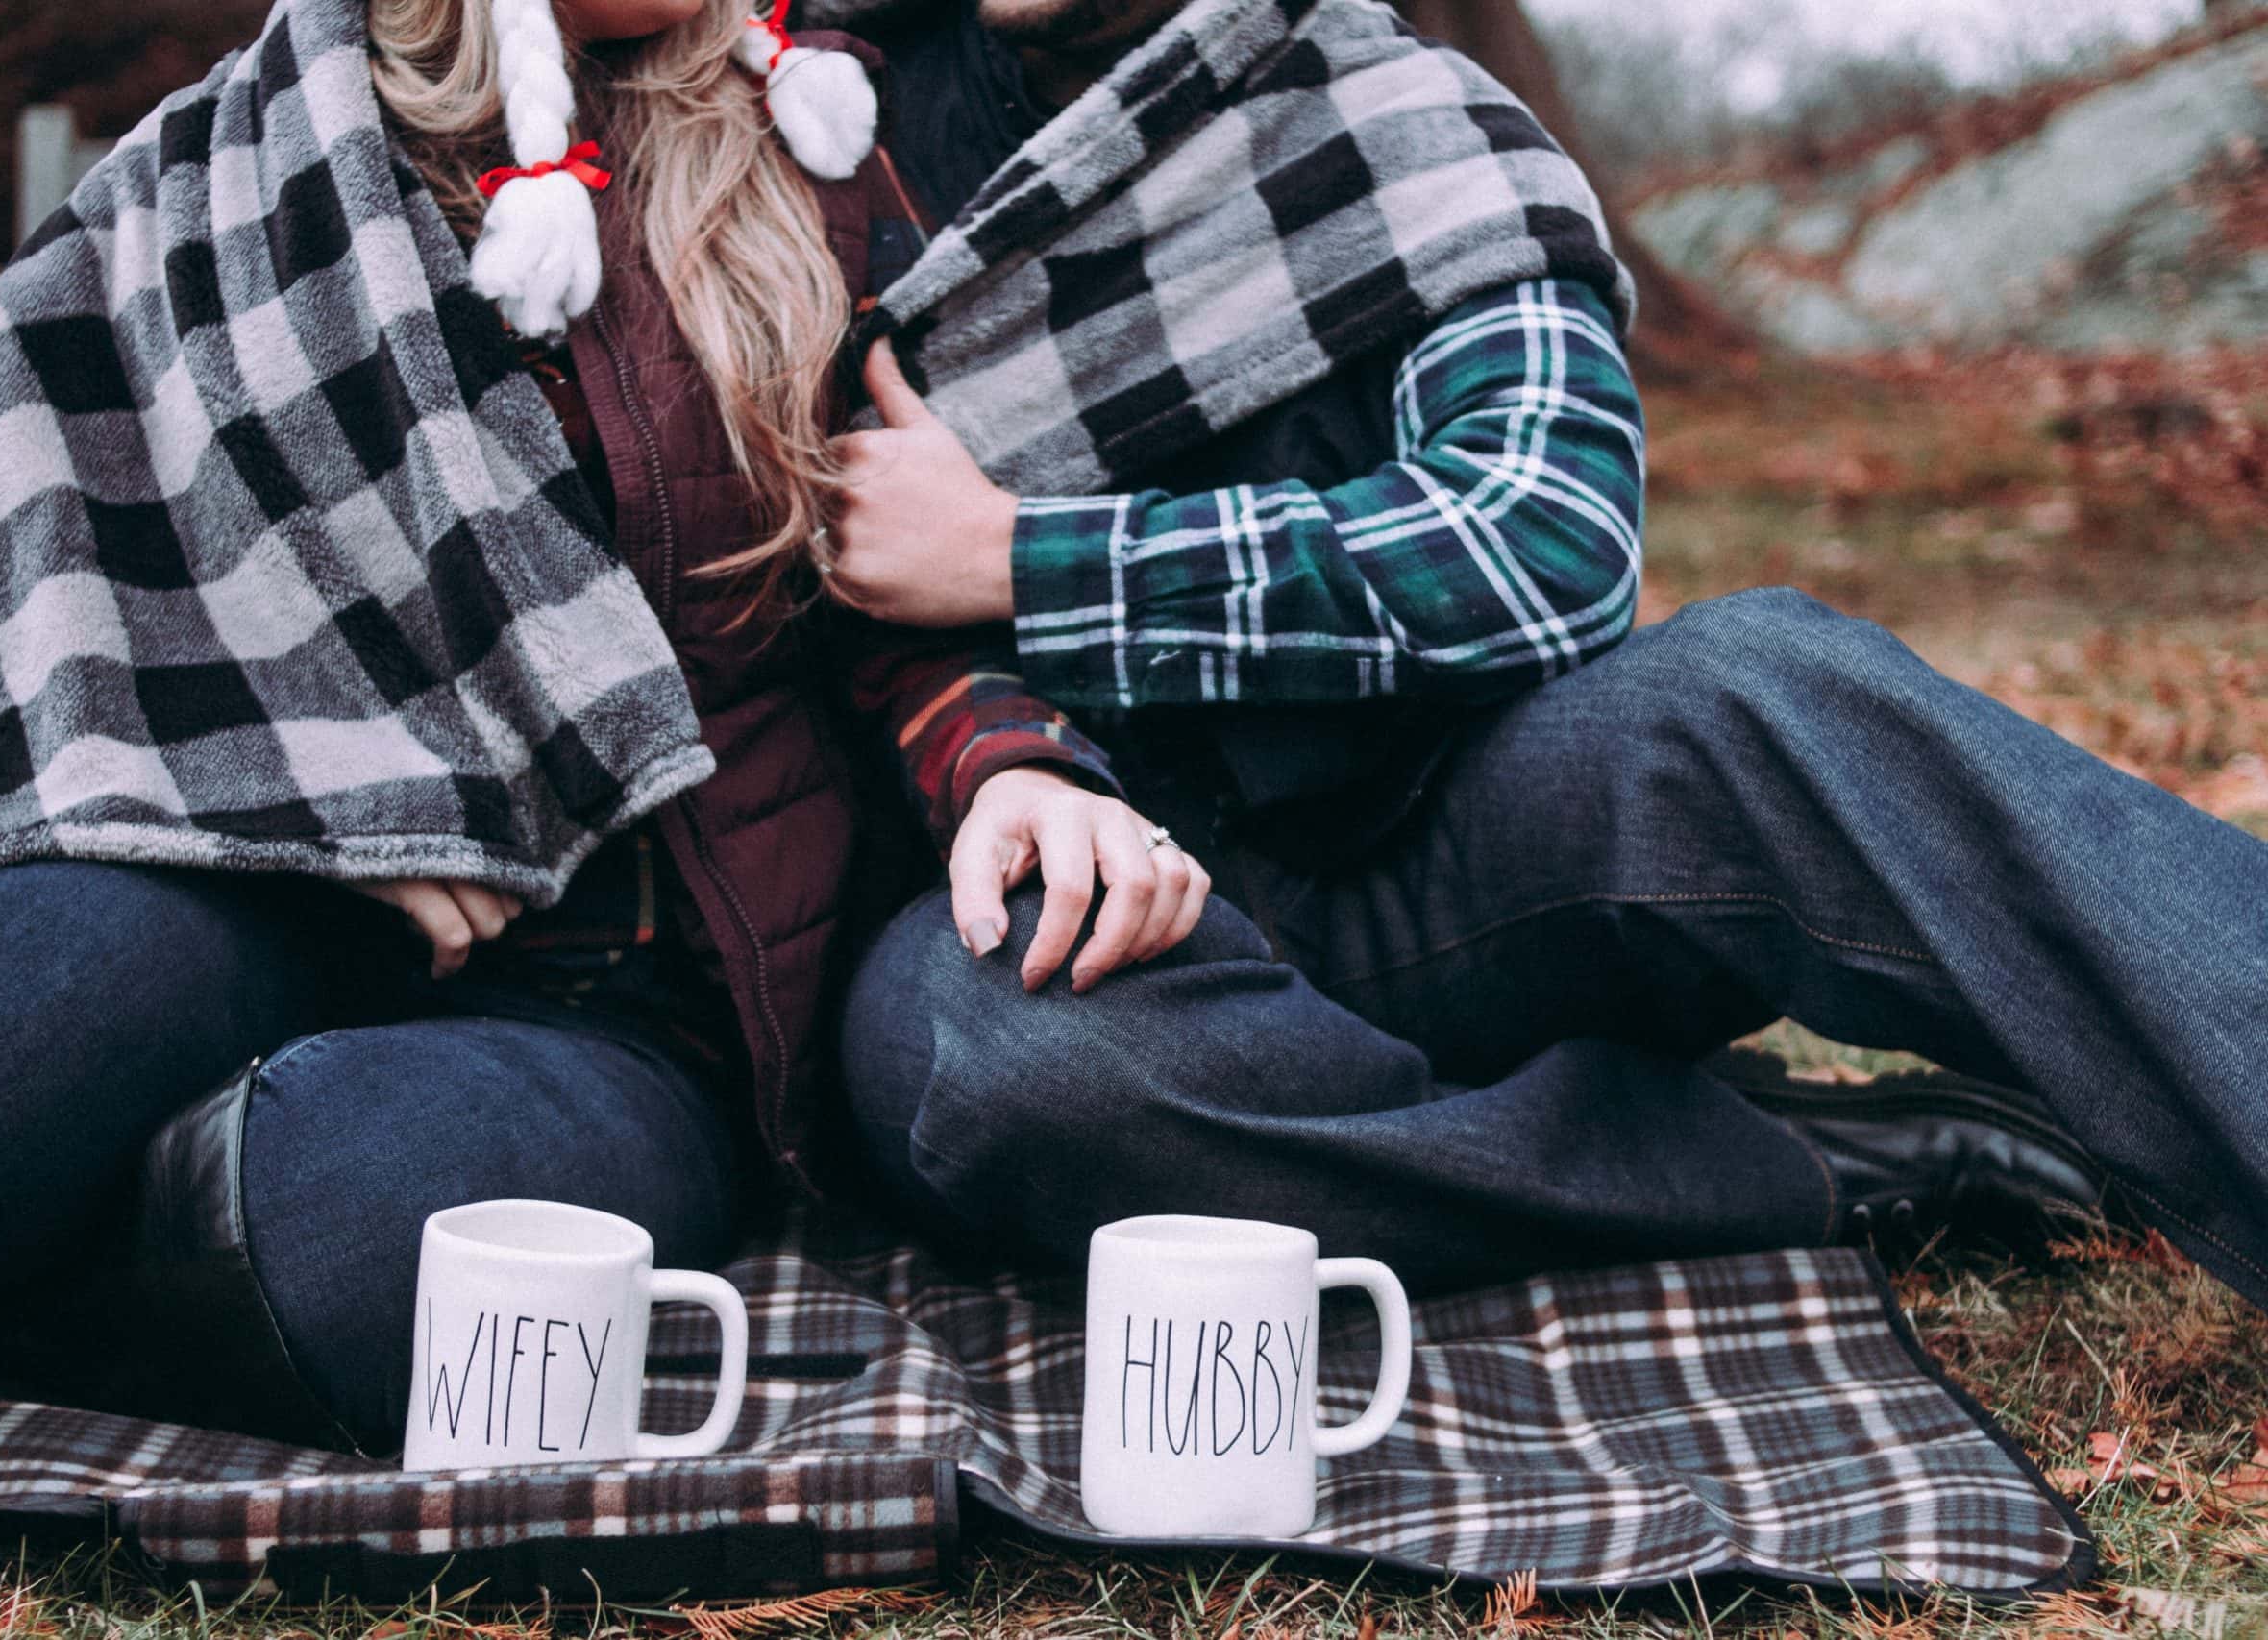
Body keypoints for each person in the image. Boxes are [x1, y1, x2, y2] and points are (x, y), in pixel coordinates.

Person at [0, 0, 1205, 1454]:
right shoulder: (243, 152)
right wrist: (324, 820)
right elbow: (68, 574)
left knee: (347, 1231)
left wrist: (1010, 762)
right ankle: (75, 1218)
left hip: (616, 999)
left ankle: (53, 1254)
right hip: (255, 878)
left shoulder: (823, 150)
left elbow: (905, 579)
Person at [824, 0, 2268, 1310]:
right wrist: (1019, 740)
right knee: (977, 1065)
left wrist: (1024, 557)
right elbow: (826, 605)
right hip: (1091, 919)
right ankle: (1784, 1168)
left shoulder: (1399, 121)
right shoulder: (834, 140)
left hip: (1452, 857)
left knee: (1763, 690)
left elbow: (1542, 541)